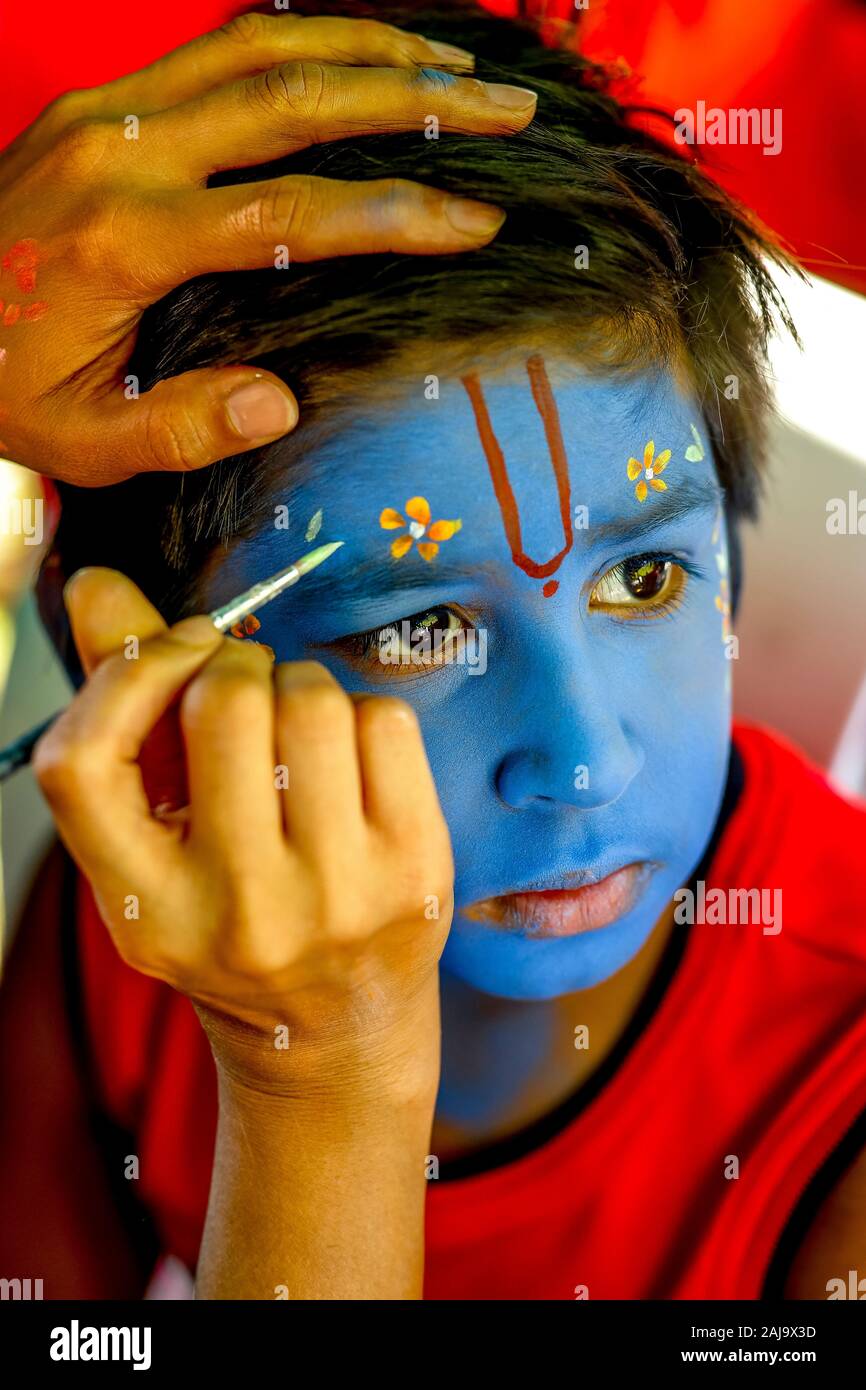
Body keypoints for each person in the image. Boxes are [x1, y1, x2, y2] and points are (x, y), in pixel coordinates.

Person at [2, 0, 865, 1300]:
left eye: (641, 574)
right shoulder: (129, 916)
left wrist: (318, 1077)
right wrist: (309, 1074)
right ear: (135, 676)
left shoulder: (835, 1090)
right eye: (420, 624)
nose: (579, 763)